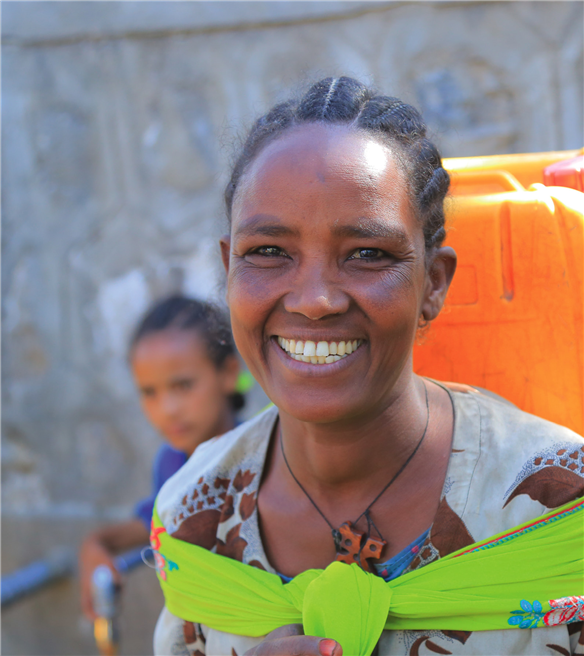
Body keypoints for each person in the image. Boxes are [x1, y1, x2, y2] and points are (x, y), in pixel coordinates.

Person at [152, 78, 584, 656]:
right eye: (269, 252)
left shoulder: (556, 508)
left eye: (367, 254)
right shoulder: (195, 519)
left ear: (433, 282)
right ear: (230, 267)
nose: (314, 299)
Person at [79, 295, 242, 621]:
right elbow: (155, 522)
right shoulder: (171, 463)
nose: (167, 409)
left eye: (182, 385)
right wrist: (96, 545)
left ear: (228, 373)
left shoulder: (261, 454)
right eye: (149, 392)